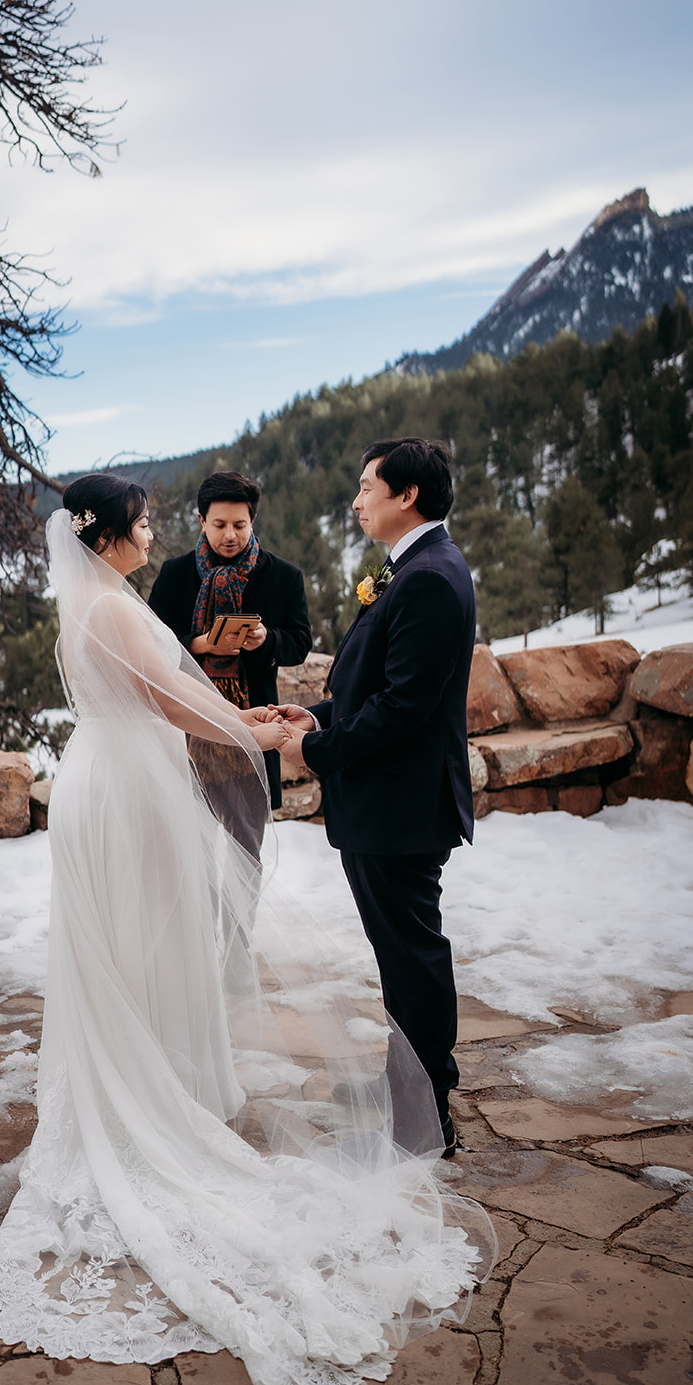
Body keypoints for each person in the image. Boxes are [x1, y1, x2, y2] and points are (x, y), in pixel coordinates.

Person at [0, 472, 491, 1385]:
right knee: (151, 937)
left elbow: (172, 699)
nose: (154, 532)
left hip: (109, 775)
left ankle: (152, 1076)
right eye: (143, 523)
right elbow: (175, 703)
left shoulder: (103, 598)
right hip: (129, 785)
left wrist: (267, 723)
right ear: (106, 537)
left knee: (139, 942)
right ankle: (153, 1091)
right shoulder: (118, 609)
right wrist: (260, 731)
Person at [275, 439, 476, 1157]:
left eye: (366, 488)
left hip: (400, 806)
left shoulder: (426, 578)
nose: (356, 501)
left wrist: (315, 752)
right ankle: (407, 1089)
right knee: (399, 955)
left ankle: (428, 1116)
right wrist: (319, 717)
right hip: (388, 802)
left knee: (413, 958)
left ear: (406, 496)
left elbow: (402, 710)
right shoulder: (412, 569)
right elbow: (376, 689)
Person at [148, 469, 312, 839]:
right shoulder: (175, 575)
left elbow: (301, 642)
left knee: (248, 847)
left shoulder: (284, 576)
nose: (230, 535)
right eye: (219, 524)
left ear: (253, 520)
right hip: (186, 731)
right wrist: (201, 644)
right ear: (201, 520)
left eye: (240, 524)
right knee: (190, 848)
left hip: (253, 724)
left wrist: (267, 639)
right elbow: (148, 641)